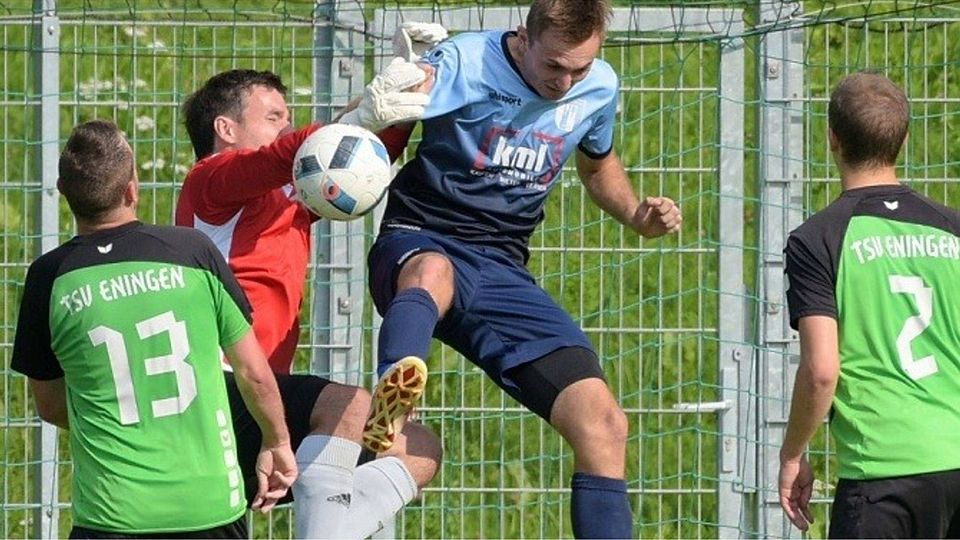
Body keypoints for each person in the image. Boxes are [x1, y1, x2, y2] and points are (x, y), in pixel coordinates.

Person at [362, 1, 683, 538]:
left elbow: (598, 163)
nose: (565, 80)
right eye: (554, 65)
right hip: (420, 238)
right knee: (433, 275)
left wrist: (636, 214)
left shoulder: (598, 86)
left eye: (579, 68)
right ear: (522, 39)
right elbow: (352, 142)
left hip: (502, 267)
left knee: (604, 424)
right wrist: (372, 107)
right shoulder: (463, 61)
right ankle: (392, 413)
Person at [175, 35, 443, 539]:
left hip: (263, 392)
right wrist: (364, 114)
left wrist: (410, 94)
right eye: (274, 115)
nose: (287, 127)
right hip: (217, 382)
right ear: (225, 128)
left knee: (418, 447)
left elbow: (360, 156)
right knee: (351, 408)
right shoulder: (210, 182)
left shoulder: (288, 195)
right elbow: (288, 154)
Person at [11, 120, 296, 539]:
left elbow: (50, 405)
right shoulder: (192, 252)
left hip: (113, 516)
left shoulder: (49, 277)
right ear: (132, 188)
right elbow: (254, 373)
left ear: (64, 191)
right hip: (210, 508)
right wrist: (277, 442)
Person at [779, 72, 960, 537]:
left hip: (882, 476)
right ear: (903, 138)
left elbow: (821, 370)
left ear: (832, 138)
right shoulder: (952, 230)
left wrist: (792, 454)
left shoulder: (819, 239)